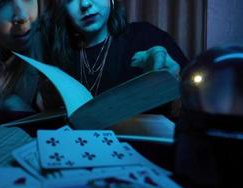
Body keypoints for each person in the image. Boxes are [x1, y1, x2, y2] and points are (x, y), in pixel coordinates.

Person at [39, 0, 188, 115]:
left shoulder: (146, 36)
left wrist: (173, 83)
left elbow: (197, 100)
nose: (85, 4)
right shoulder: (59, 57)